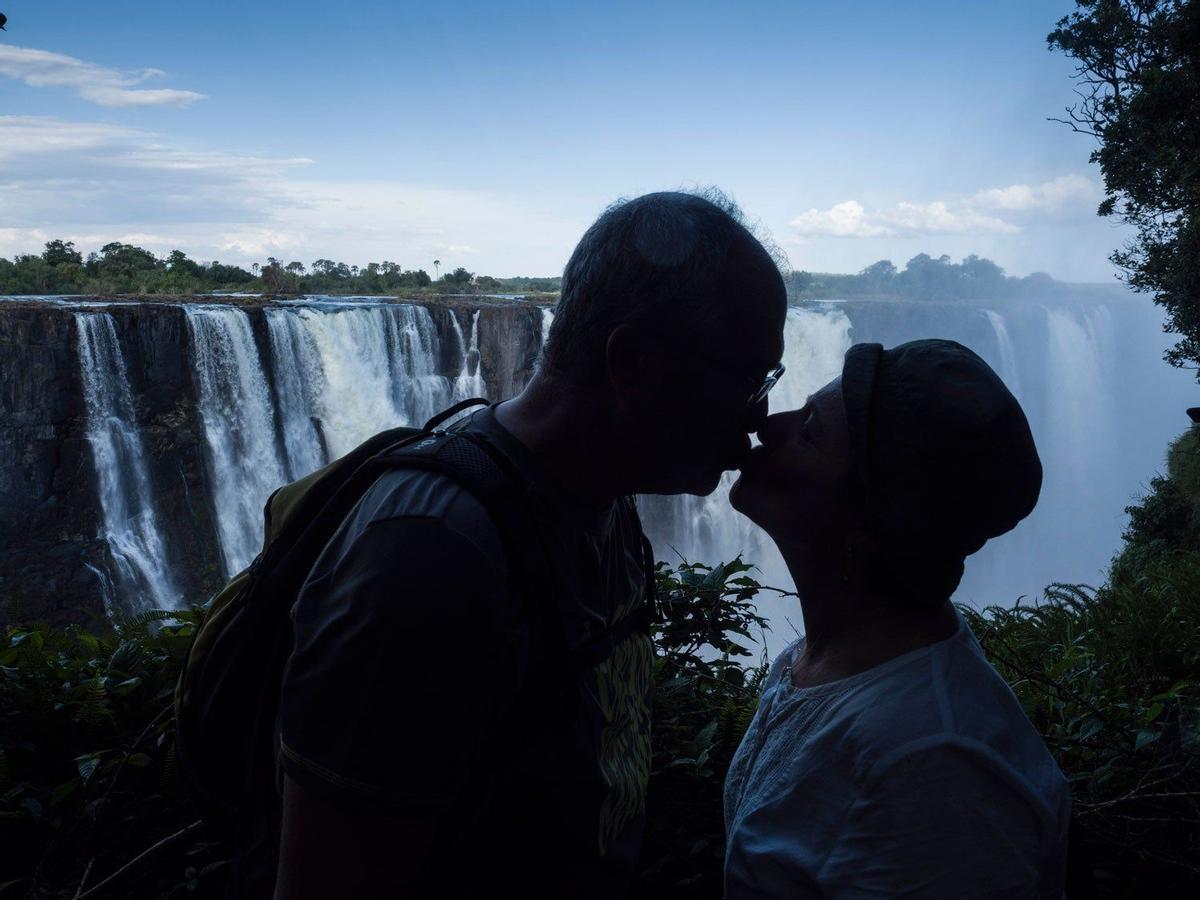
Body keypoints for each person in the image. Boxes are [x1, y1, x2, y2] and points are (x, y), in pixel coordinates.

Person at [258, 190, 789, 899]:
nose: (760, 419)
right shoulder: (428, 561)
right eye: (751, 381)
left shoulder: (600, 501)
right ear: (631, 364)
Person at [723, 339, 1071, 898]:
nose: (771, 424)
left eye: (811, 432)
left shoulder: (937, 769)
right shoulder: (821, 660)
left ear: (868, 522)